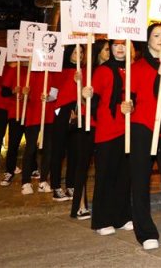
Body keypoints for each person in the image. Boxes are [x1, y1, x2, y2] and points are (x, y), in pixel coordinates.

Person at [130, 23, 161, 250]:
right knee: (140, 180)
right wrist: (125, 106)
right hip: (142, 127)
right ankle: (145, 231)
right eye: (156, 35)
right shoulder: (136, 68)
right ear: (147, 40)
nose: (160, 39)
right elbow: (127, 97)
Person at [84, 39, 133, 236]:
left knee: (124, 177)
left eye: (124, 44)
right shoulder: (103, 71)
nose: (120, 48)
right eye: (115, 45)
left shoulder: (132, 70)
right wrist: (85, 95)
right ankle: (101, 220)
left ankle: (121, 217)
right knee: (105, 176)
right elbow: (94, 102)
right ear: (110, 48)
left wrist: (131, 106)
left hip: (128, 131)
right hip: (107, 131)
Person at [70, 38, 108, 220]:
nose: (109, 52)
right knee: (83, 165)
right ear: (98, 51)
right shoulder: (86, 72)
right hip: (87, 123)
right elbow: (81, 100)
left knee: (103, 167)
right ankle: (80, 204)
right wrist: (82, 92)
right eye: (106, 49)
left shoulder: (113, 71)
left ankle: (102, 205)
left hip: (105, 125)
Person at [50, 45, 81, 202]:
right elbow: (53, 94)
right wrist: (46, 97)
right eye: (76, 52)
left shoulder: (85, 71)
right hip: (62, 113)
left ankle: (70, 185)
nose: (79, 55)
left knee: (74, 152)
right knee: (59, 152)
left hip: (78, 113)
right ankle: (56, 186)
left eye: (81, 52)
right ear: (69, 54)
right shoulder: (61, 71)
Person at [20, 69, 54, 195]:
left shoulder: (53, 72)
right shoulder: (31, 72)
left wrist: (49, 98)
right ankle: (25, 182)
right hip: (33, 116)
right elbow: (24, 96)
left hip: (49, 117)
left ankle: (43, 180)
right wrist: (24, 94)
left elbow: (55, 93)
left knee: (48, 149)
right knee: (30, 149)